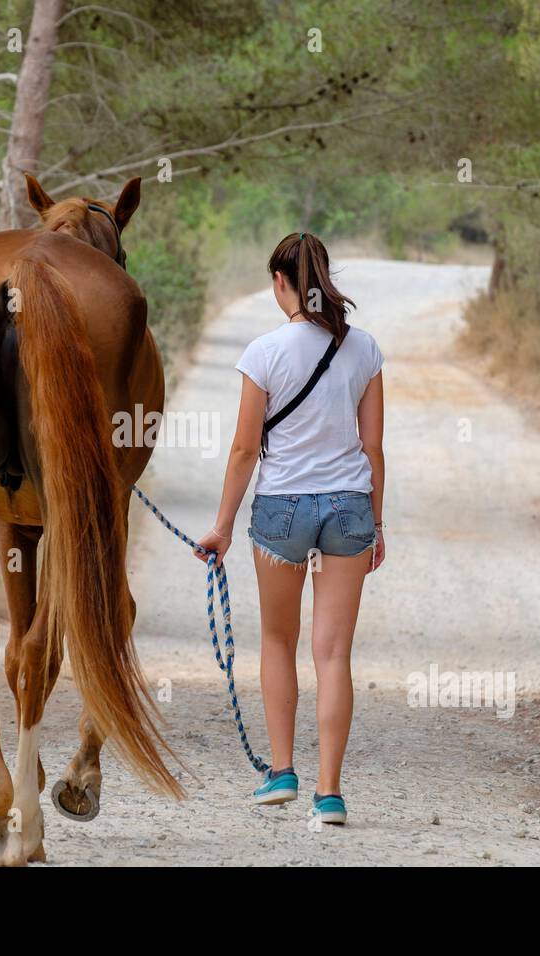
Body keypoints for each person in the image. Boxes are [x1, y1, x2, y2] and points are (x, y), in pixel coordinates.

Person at [194, 231, 385, 826]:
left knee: (278, 640)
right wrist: (376, 523)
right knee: (333, 653)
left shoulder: (264, 352)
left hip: (281, 510)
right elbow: (373, 446)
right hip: (349, 506)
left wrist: (222, 528)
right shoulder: (365, 349)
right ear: (323, 278)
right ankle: (330, 794)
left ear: (281, 282)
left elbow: (244, 449)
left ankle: (281, 773)